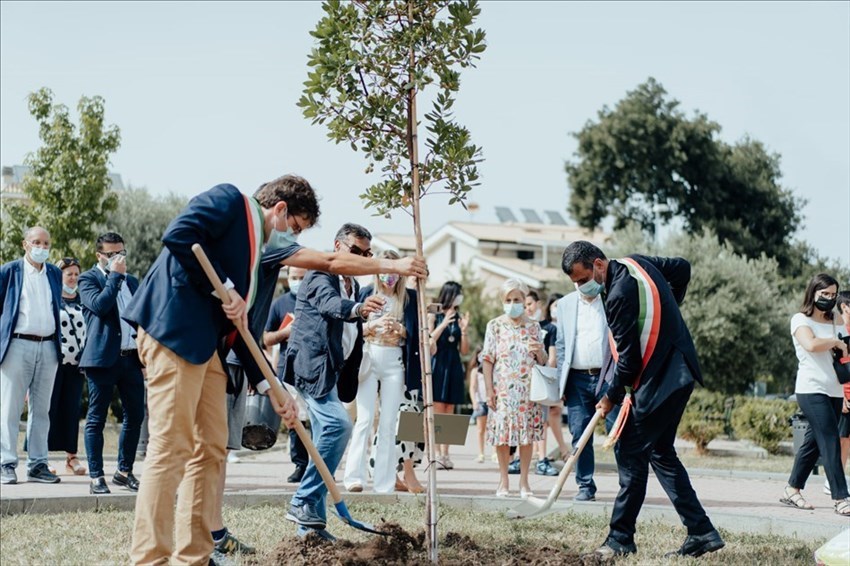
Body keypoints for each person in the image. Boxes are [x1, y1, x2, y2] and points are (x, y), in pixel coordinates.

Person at [125, 177, 425, 565]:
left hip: (211, 351)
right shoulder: (230, 201)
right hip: (174, 333)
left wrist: (271, 387)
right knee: (171, 448)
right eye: (295, 229)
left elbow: (244, 332)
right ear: (279, 210)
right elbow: (179, 234)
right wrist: (226, 288)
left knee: (212, 448)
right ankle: (150, 559)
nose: (292, 239)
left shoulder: (255, 262)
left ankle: (193, 557)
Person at [561, 241, 724, 559]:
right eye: (576, 284)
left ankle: (620, 539)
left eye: (583, 279)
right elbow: (683, 268)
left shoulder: (619, 295)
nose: (582, 287)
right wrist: (670, 310)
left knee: (630, 454)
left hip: (661, 382)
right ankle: (702, 532)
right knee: (661, 453)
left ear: (597, 264)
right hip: (680, 373)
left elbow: (629, 362)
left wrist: (609, 396)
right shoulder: (637, 263)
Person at [283, 223, 384, 540]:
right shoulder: (320, 274)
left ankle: (310, 528)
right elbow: (329, 305)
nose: (362, 257)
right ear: (337, 246)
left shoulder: (353, 282)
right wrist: (357, 309)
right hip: (311, 367)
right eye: (356, 251)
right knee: (339, 427)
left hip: (333, 371)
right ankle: (301, 500)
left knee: (323, 444)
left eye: (367, 253)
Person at [344, 249, 423, 494]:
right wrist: (372, 326)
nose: (389, 276)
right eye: (385, 270)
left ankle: (384, 483)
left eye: (394, 271)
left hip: (395, 360)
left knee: (389, 423)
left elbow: (418, 334)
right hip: (369, 356)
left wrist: (400, 330)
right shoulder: (366, 293)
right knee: (365, 419)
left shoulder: (409, 298)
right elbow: (353, 327)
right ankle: (353, 477)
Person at [78, 232, 145, 495]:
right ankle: (96, 476)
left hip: (130, 358)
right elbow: (100, 306)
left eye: (121, 253)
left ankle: (124, 471)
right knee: (96, 418)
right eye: (111, 254)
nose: (118, 258)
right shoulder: (88, 279)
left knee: (135, 416)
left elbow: (141, 316)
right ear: (99, 256)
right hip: (102, 360)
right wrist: (114, 276)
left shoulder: (132, 281)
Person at [780, 274, 849, 517]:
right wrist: (836, 342)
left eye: (833, 294)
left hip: (834, 390)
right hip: (811, 389)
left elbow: (844, 352)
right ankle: (841, 497)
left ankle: (792, 489)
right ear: (813, 294)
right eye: (824, 294)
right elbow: (810, 345)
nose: (829, 299)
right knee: (829, 438)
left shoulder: (837, 321)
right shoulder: (800, 320)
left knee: (812, 444)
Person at [0, 226, 63, 485]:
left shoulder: (55, 273)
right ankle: (5, 462)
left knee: (42, 411)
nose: (42, 247)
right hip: (17, 345)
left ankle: (38, 464)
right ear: (25, 244)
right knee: (10, 408)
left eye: (46, 243)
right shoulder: (9, 271)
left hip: (48, 346)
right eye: (36, 242)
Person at [482, 279, 546, 499]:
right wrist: (489, 390)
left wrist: (539, 351)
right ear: (502, 301)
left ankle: (525, 482)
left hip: (528, 391)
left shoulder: (534, 326)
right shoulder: (495, 325)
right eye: (508, 300)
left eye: (516, 299)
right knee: (502, 436)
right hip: (503, 390)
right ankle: (503, 479)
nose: (512, 303)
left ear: (524, 300)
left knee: (526, 437)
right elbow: (487, 359)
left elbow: (543, 360)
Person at [555, 285, 619, 501]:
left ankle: (627, 486)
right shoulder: (565, 304)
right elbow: (561, 344)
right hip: (576, 379)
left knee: (618, 431)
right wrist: (561, 383)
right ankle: (585, 486)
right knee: (579, 434)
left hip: (608, 377)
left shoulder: (610, 298)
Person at [265, 266, 308, 483]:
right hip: (287, 368)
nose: (298, 281)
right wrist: (285, 333)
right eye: (294, 278)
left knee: (315, 420)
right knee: (294, 418)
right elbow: (265, 338)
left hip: (312, 367)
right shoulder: (279, 305)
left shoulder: (314, 300)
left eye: (302, 277)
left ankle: (316, 464)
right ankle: (300, 464)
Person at [47, 257, 88, 476]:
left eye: (75, 274)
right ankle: (40, 458)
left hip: (77, 365)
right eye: (68, 274)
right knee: (47, 410)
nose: (73, 278)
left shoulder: (84, 301)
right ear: (60, 275)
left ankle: (72, 457)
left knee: (72, 411)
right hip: (53, 363)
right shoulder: (52, 299)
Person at [428, 281, 470, 469]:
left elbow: (464, 350)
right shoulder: (433, 313)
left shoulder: (459, 317)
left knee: (450, 411)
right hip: (438, 363)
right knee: (437, 410)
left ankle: (446, 454)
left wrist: (464, 332)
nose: (459, 298)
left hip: (453, 364)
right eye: (457, 294)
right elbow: (429, 340)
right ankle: (436, 454)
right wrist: (444, 323)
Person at [829, 291, 850, 496]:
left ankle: (840, 479)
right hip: (845, 394)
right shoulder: (840, 331)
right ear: (844, 307)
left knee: (848, 440)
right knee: (842, 439)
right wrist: (843, 394)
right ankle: (833, 482)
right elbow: (839, 366)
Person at [468, 348, 489, 463]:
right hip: (481, 401)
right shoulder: (475, 371)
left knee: (491, 429)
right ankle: (481, 453)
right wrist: (474, 402)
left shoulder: (491, 369)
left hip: (490, 401)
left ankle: (495, 453)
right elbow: (472, 387)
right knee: (481, 429)